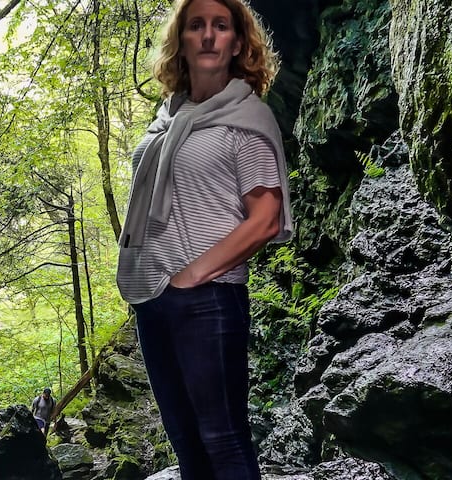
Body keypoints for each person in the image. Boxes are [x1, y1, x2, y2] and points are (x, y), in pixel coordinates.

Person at [115, 0, 292, 478]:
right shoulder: (166, 120)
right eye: (197, 26)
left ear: (238, 42)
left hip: (209, 296)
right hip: (152, 296)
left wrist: (193, 274)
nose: (209, 36)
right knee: (187, 446)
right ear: (182, 41)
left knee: (224, 441)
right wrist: (163, 282)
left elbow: (266, 218)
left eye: (221, 26)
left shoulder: (246, 118)